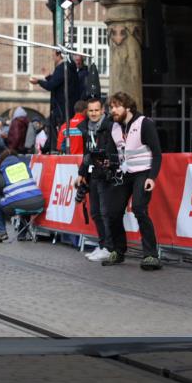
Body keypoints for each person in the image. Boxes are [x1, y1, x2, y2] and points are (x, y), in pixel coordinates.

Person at [102, 92, 163, 270]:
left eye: (116, 106)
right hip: (124, 173)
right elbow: (113, 153)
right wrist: (108, 161)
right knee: (112, 212)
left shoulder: (144, 123)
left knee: (139, 209)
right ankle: (118, 251)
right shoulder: (114, 127)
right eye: (111, 107)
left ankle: (151, 255)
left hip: (143, 172)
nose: (113, 110)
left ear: (127, 107)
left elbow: (158, 154)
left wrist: (152, 177)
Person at [77, 98, 114, 262]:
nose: (93, 113)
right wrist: (81, 173)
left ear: (102, 111)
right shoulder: (86, 129)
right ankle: (102, 244)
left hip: (105, 175)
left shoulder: (109, 127)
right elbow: (87, 154)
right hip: (92, 174)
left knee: (105, 212)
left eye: (96, 110)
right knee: (95, 212)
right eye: (90, 111)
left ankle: (109, 247)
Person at [0, 149, 46, 243]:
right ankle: (22, 234)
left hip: (17, 205)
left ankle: (1, 232)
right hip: (38, 203)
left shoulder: (1, 171)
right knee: (26, 199)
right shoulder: (24, 166)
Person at [31, 50, 81, 128]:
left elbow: (51, 85)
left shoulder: (62, 68)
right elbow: (59, 82)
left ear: (59, 55)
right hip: (68, 105)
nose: (52, 57)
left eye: (53, 54)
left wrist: (39, 81)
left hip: (62, 107)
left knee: (60, 130)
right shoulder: (69, 68)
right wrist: (48, 77)